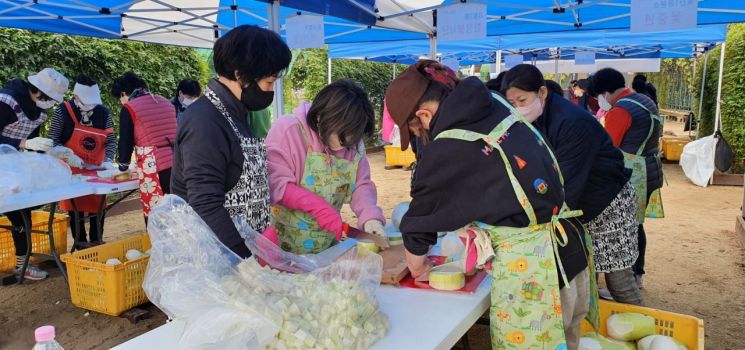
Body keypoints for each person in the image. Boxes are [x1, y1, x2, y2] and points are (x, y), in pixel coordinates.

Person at [386, 60, 589, 349]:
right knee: (568, 341)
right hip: (569, 253)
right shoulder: (494, 101)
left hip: (533, 273)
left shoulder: (448, 143)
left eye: (417, 131)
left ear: (424, 114)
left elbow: (420, 221)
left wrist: (417, 268)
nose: (422, 137)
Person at [502, 64, 643, 305]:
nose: (517, 108)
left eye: (522, 100)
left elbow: (564, 182)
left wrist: (532, 219)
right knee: (585, 279)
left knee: (619, 281)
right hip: (581, 207)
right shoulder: (538, 119)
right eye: (512, 103)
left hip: (608, 204)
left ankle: (644, 330)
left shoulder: (571, 121)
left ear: (542, 93)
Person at [171, 25, 291, 258]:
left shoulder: (236, 114)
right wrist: (244, 260)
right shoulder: (205, 122)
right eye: (268, 82)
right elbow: (204, 202)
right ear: (240, 75)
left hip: (244, 254)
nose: (271, 89)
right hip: (215, 260)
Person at [264, 80, 386, 254]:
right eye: (342, 138)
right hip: (284, 246)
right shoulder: (289, 130)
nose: (346, 146)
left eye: (352, 141)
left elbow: (361, 185)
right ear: (321, 117)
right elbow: (276, 184)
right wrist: (318, 208)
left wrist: (370, 216)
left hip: (326, 247)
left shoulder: (353, 144)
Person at [590, 68, 663, 288]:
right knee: (637, 225)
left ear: (605, 92)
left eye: (597, 96)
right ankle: (637, 273)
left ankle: (628, 279)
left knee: (625, 227)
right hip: (650, 168)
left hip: (631, 172)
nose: (598, 101)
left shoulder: (621, 110)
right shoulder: (643, 100)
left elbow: (609, 146)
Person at [0, 68, 69, 280]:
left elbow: (33, 144)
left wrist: (52, 150)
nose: (50, 103)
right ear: (38, 91)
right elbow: (25, 142)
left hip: (11, 168)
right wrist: (23, 142)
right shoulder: (6, 102)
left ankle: (22, 265)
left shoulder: (39, 111)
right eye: (49, 98)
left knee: (21, 211)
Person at [48, 74, 115, 249]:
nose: (91, 107)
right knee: (75, 212)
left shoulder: (103, 112)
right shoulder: (63, 111)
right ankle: (80, 244)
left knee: (98, 209)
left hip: (96, 171)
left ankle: (97, 242)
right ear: (76, 97)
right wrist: (67, 154)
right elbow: (52, 141)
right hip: (70, 172)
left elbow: (111, 140)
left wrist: (108, 160)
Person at [112, 72, 177, 219]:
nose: (121, 102)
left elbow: (125, 141)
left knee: (158, 216)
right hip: (180, 162)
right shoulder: (166, 102)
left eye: (120, 98)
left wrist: (123, 166)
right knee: (178, 211)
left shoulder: (129, 108)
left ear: (123, 93)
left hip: (155, 167)